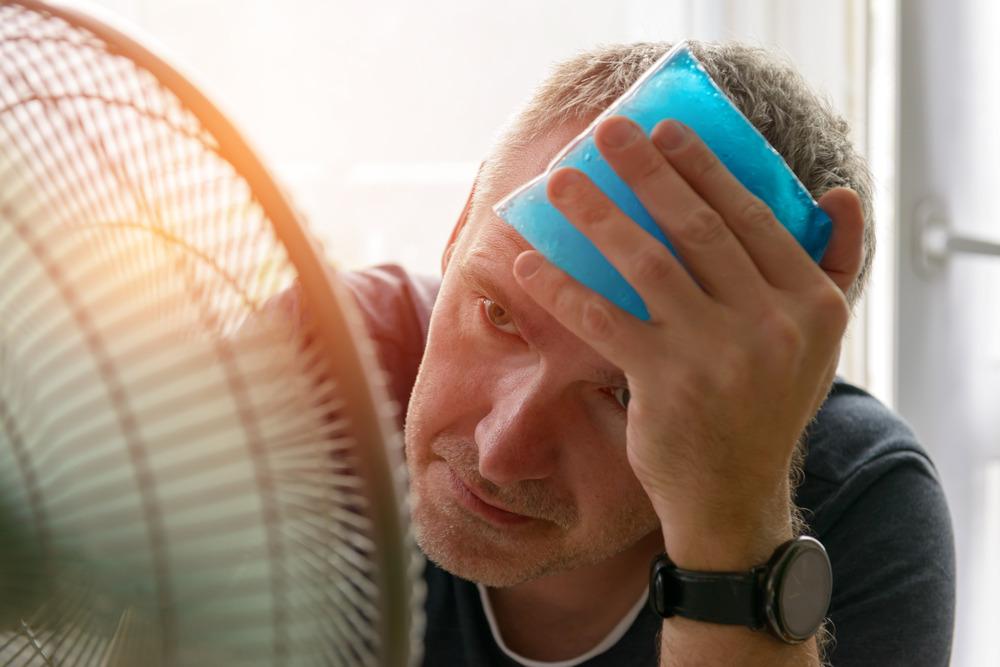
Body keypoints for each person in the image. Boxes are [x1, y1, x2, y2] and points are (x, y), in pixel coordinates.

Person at [330, 40, 955, 665]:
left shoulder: (861, 501)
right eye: (500, 317)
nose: (501, 452)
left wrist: (732, 531)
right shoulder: (319, 368)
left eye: (626, 395)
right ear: (459, 227)